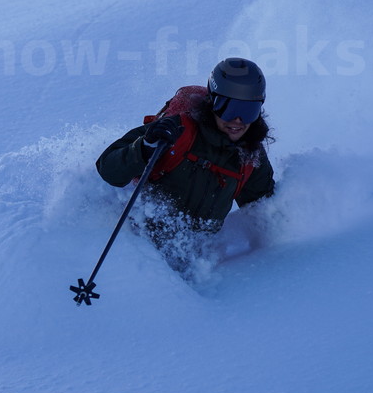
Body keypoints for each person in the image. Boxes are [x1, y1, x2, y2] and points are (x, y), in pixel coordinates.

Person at [95, 58, 276, 259]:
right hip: (137, 251)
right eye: (228, 108)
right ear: (213, 102)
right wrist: (145, 148)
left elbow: (262, 211)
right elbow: (108, 169)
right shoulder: (177, 131)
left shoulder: (250, 156)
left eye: (248, 111)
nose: (238, 120)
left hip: (195, 264)